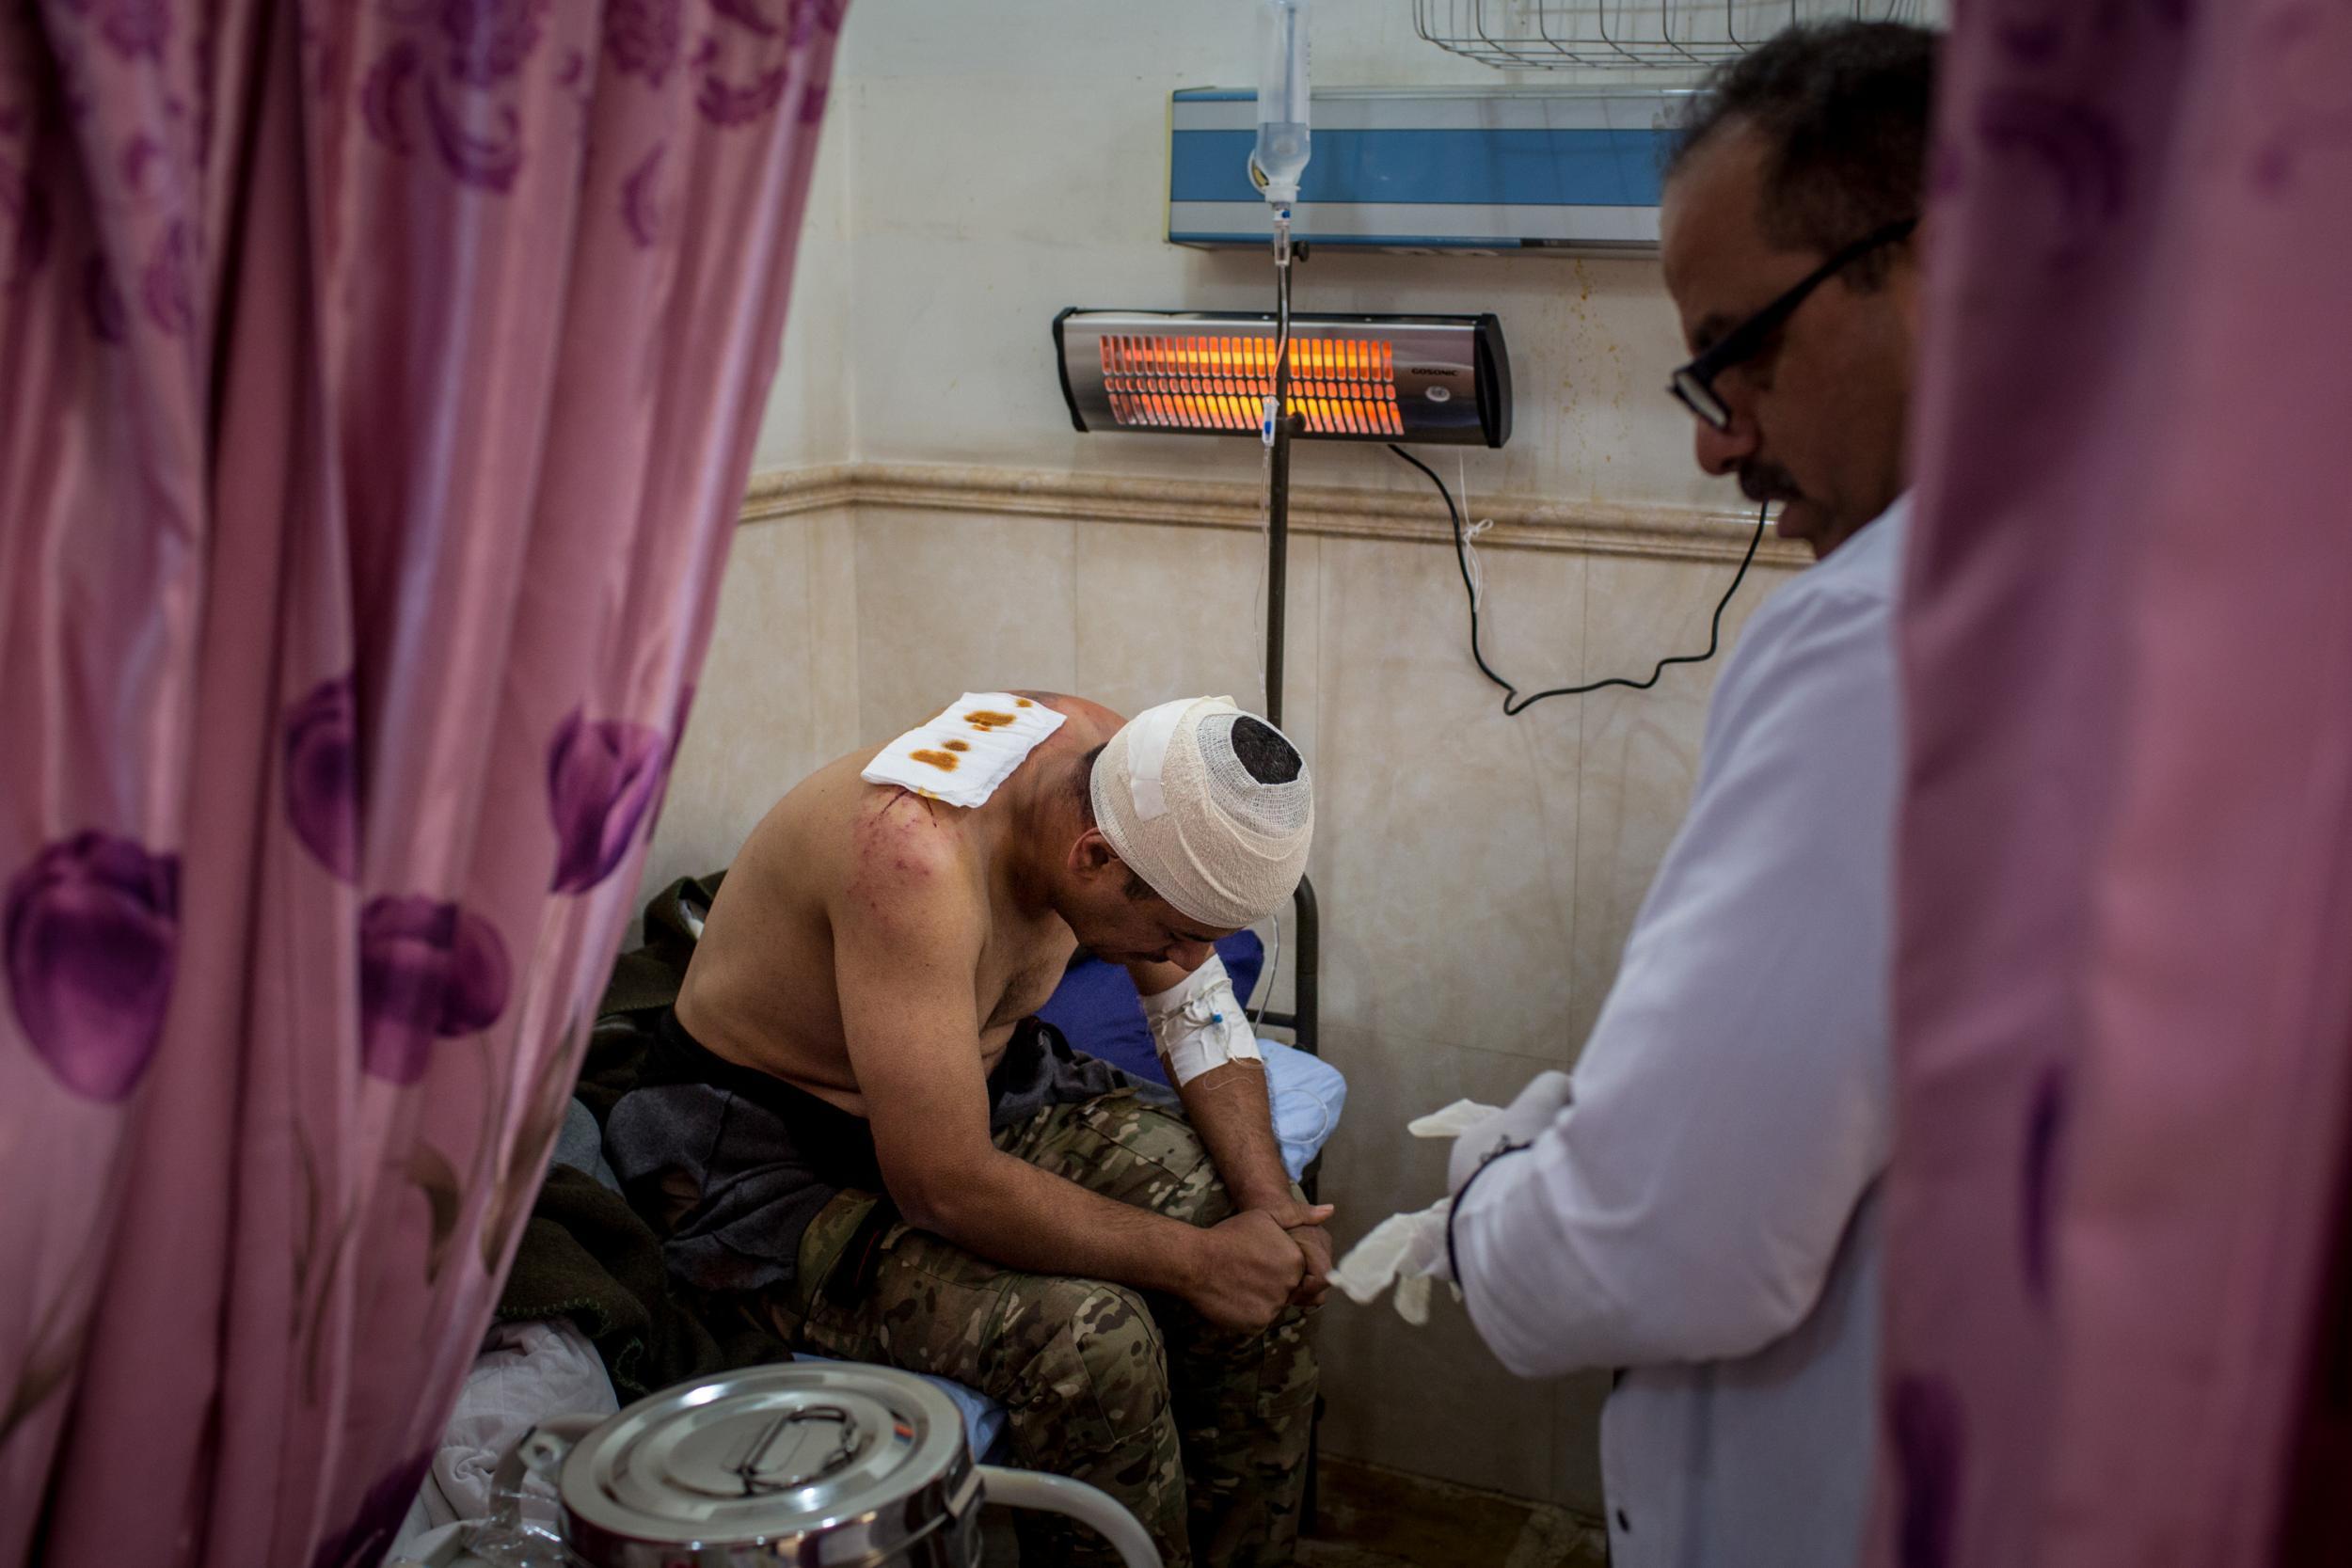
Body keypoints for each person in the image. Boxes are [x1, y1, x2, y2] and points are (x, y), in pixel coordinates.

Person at [1441, 22, 1938, 1568]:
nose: (1719, 440)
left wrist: (1484, 1196)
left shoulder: (1894, 632)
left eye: (1740, 350)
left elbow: (1663, 1237)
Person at [607, 690, 1324, 1568]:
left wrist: (1270, 1209)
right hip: (773, 1169)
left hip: (973, 1094)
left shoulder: (1112, 761)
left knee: (1261, 1257)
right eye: (1174, 934)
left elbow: (1197, 1008)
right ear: (1093, 856)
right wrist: (1198, 1264)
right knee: (1093, 1342)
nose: (1183, 959)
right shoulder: (911, 861)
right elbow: (941, 1182)